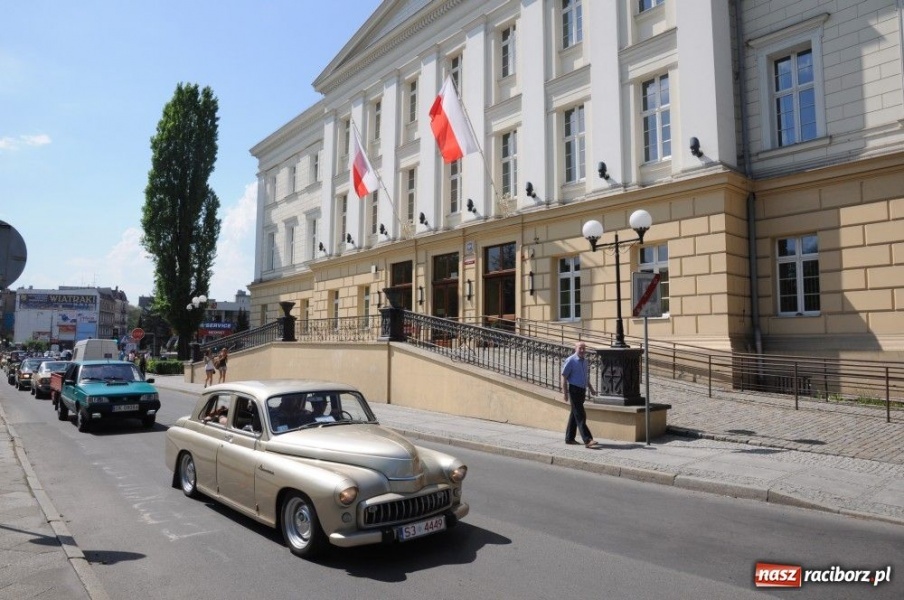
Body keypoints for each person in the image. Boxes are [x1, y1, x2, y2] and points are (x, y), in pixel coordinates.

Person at [560, 342, 596, 448]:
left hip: (582, 390)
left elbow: (585, 377)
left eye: (584, 348)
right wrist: (565, 393)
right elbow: (564, 376)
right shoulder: (571, 360)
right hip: (574, 390)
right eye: (580, 348)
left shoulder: (585, 361)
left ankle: (569, 438)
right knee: (581, 415)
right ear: (575, 349)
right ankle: (588, 440)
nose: (582, 350)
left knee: (574, 414)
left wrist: (591, 389)